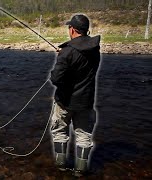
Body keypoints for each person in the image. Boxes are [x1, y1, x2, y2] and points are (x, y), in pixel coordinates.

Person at [49, 14, 101, 177]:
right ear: (86, 30)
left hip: (65, 101)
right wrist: (65, 55)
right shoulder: (95, 49)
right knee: (84, 136)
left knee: (60, 132)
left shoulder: (67, 52)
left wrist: (62, 57)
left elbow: (56, 79)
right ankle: (80, 170)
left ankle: (61, 165)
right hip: (86, 101)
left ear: (72, 30)